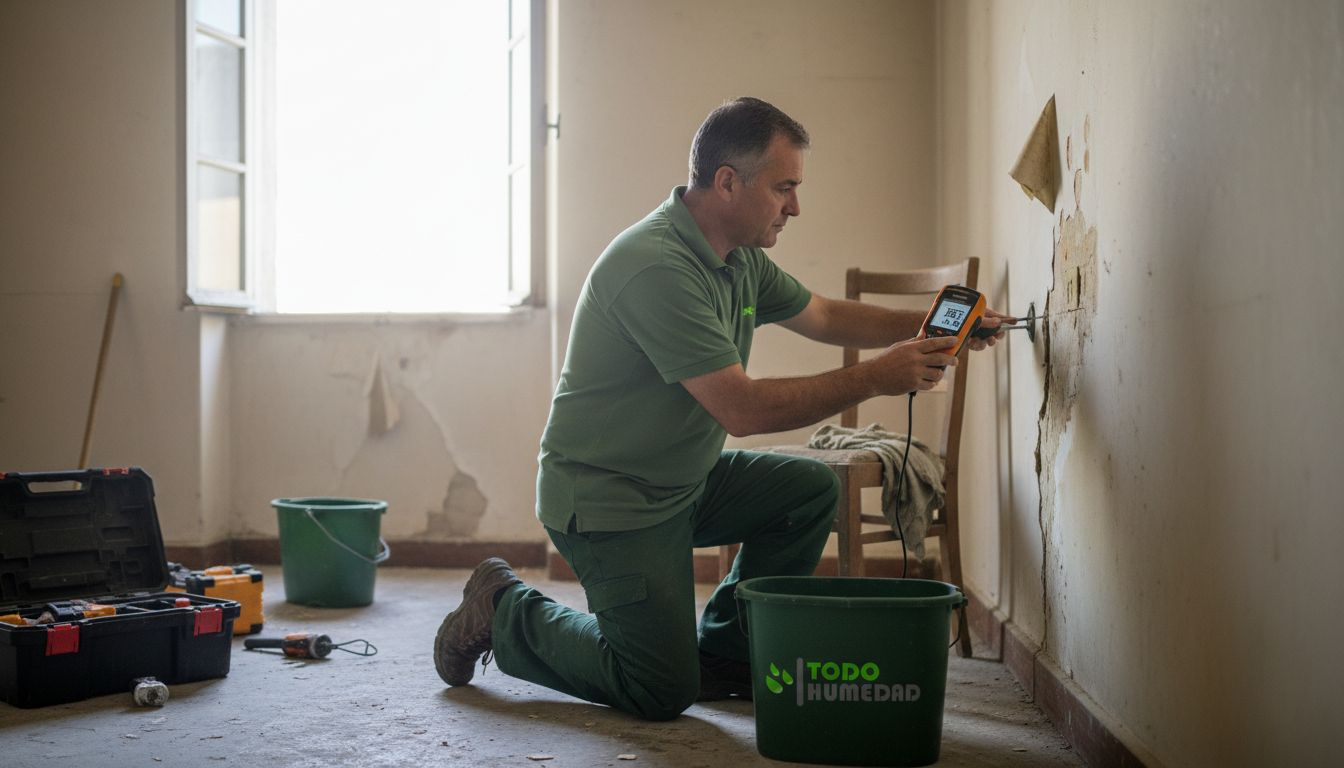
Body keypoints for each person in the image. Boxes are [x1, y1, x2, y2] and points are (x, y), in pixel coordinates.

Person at [434, 97, 1009, 721]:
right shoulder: (656, 266)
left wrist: (938, 329)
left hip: (682, 481)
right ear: (728, 182)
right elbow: (743, 410)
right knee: (658, 690)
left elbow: (822, 315)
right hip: (610, 501)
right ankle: (505, 608)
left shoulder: (738, 257)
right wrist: (877, 375)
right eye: (783, 187)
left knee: (808, 491)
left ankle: (726, 656)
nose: (795, 206)